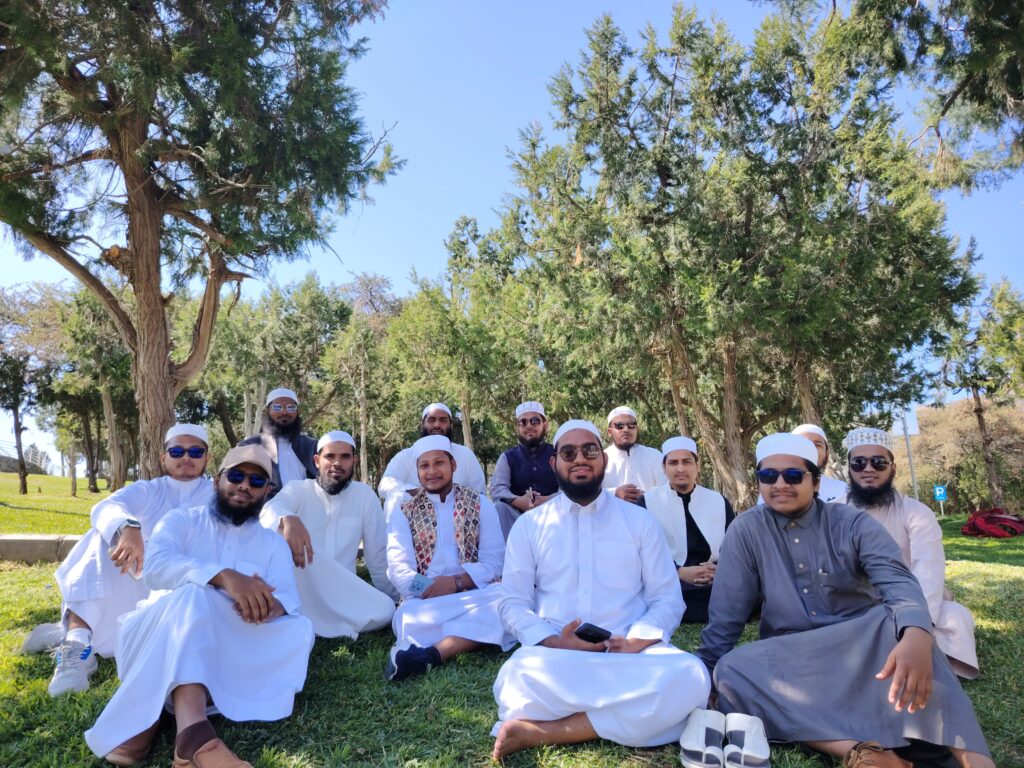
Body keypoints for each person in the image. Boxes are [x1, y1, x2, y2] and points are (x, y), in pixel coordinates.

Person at [695, 433, 992, 768]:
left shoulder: (851, 522)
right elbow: (727, 612)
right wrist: (706, 670)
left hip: (862, 643)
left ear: (816, 483)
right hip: (794, 653)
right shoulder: (745, 530)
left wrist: (918, 634)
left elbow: (898, 581)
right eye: (768, 476)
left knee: (902, 628)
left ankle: (975, 759)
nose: (780, 484)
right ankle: (864, 752)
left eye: (793, 475)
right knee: (731, 670)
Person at [84, 444, 314, 768]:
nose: (244, 486)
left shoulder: (272, 543)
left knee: (300, 628)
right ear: (218, 479)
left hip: (233, 637)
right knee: (194, 597)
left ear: (267, 491)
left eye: (256, 481)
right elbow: (156, 568)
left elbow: (288, 597)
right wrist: (223, 577)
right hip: (159, 628)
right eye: (236, 476)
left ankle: (153, 717)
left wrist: (266, 604)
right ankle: (195, 736)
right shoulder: (181, 521)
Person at [491, 420, 710, 761]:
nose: (580, 458)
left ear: (603, 459)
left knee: (692, 676)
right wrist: (554, 641)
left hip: (631, 654)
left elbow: (667, 597)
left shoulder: (640, 521)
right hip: (556, 655)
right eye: (568, 452)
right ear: (554, 463)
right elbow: (513, 603)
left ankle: (550, 730)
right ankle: (635, 714)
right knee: (514, 679)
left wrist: (636, 640)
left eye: (590, 450)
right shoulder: (530, 526)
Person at [25, 424, 214, 697]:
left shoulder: (220, 494)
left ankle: (67, 633)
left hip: (190, 591)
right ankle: (77, 647)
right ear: (164, 457)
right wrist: (128, 527)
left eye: (195, 452)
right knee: (101, 538)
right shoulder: (148, 490)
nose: (186, 457)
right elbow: (105, 507)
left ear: (207, 457)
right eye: (177, 451)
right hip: (138, 584)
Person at [844, 426, 979, 679]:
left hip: (907, 600)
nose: (868, 469)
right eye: (859, 463)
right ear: (849, 469)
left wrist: (916, 625)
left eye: (878, 462)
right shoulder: (833, 512)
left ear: (893, 468)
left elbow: (928, 573)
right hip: (852, 605)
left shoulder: (916, 512)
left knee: (955, 618)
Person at [384, 434, 513, 681]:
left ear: (453, 465)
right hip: (426, 601)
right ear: (417, 471)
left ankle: (432, 653)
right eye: (424, 465)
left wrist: (455, 583)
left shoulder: (480, 504)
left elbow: (495, 562)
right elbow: (398, 570)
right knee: (407, 617)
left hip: (474, 592)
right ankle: (473, 634)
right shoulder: (404, 510)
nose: (432, 471)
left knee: (507, 597)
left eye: (439, 463)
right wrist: (429, 587)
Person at [260, 430, 397, 640]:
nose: (337, 463)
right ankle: (293, 608)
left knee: (386, 609)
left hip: (343, 589)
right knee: (278, 527)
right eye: (330, 456)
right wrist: (288, 519)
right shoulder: (298, 489)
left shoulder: (365, 496)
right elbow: (269, 510)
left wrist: (394, 597)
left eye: (345, 457)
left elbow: (377, 554)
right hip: (302, 587)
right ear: (317, 461)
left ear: (354, 461)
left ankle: (297, 617)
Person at [639, 436, 735, 623]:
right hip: (669, 578)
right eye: (673, 463)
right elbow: (639, 552)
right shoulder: (647, 502)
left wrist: (719, 570)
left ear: (697, 466)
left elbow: (733, 547)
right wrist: (679, 572)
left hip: (714, 578)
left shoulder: (717, 501)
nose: (680, 468)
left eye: (687, 462)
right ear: (664, 468)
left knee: (745, 588)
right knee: (662, 593)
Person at [378, 403, 486, 521]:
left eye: (443, 420)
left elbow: (479, 493)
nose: (437, 425)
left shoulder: (466, 454)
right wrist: (416, 492)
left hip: (458, 519)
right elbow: (384, 485)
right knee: (394, 498)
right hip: (415, 519)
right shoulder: (406, 456)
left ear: (451, 425)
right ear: (422, 425)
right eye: (432, 420)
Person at [489, 400, 558, 539]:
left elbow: (567, 489)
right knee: (499, 507)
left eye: (535, 421)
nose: (529, 426)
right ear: (518, 427)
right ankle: (507, 551)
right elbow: (497, 489)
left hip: (553, 515)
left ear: (545, 425)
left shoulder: (557, 454)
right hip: (517, 517)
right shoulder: (507, 457)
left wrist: (546, 500)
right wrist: (519, 501)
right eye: (523, 422)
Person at [238, 387, 317, 497]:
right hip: (265, 506)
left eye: (291, 408)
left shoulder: (311, 446)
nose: (284, 412)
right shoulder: (248, 446)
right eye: (277, 407)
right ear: (267, 411)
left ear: (297, 412)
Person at [601, 406, 663, 503]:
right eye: (619, 426)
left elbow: (668, 490)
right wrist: (615, 493)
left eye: (631, 425)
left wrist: (646, 497)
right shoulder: (600, 459)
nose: (626, 429)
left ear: (637, 429)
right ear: (609, 432)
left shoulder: (655, 455)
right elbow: (591, 494)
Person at [792, 423, 849, 503]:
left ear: (827, 453)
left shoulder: (842, 490)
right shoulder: (776, 487)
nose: (811, 449)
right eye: (804, 443)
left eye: (817, 445)